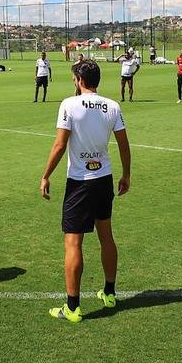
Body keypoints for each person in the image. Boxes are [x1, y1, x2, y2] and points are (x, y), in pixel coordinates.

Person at [40, 59, 131, 322]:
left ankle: (72, 307)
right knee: (106, 236)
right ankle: (110, 292)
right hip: (103, 179)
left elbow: (59, 145)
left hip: (79, 182)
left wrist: (45, 175)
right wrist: (126, 174)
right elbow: (124, 144)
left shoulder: (69, 104)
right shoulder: (112, 105)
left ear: (79, 80)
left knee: (73, 242)